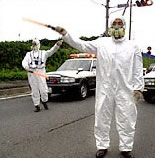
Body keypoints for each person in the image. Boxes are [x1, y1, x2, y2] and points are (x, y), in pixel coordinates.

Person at [55, 17, 144, 158]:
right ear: (110, 26)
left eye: (119, 24)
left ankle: (126, 147)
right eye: (114, 24)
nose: (116, 26)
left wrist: (138, 87)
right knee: (102, 117)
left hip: (125, 89)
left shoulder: (133, 46)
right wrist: (66, 35)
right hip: (105, 88)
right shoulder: (102, 43)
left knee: (127, 118)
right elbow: (82, 45)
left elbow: (138, 69)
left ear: (125, 26)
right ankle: (102, 146)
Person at [22, 38, 62, 112]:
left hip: (40, 72)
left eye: (35, 44)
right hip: (32, 73)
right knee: (34, 90)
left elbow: (51, 51)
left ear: (38, 44)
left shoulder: (43, 53)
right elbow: (24, 61)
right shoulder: (28, 54)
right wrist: (26, 67)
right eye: (33, 44)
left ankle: (44, 101)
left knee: (43, 89)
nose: (34, 45)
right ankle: (37, 105)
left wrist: (56, 45)